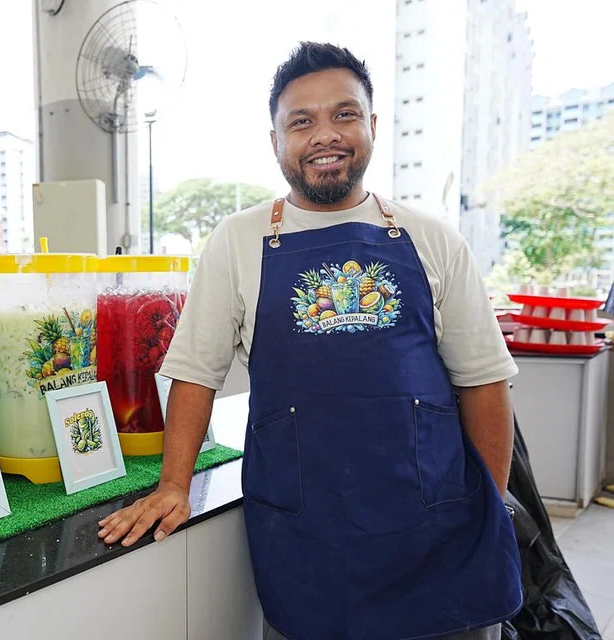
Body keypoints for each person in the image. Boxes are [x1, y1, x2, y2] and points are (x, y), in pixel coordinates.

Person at [97, 42, 523, 640]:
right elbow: (195, 373)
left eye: (344, 115)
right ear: (275, 141)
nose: (325, 134)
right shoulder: (238, 239)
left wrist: (490, 505)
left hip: (438, 534)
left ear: (372, 126)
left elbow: (483, 382)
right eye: (301, 121)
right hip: (308, 540)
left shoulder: (434, 239)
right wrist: (174, 484)